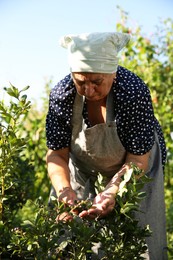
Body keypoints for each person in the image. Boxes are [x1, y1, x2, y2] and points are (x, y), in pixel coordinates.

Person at [46, 32, 167, 259]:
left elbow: (137, 160)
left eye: (96, 82)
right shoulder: (62, 95)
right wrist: (65, 193)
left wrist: (112, 190)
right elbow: (57, 155)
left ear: (113, 73)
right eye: (80, 82)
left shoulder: (133, 92)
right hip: (83, 167)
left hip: (135, 167)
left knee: (140, 240)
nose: (88, 91)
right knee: (69, 237)